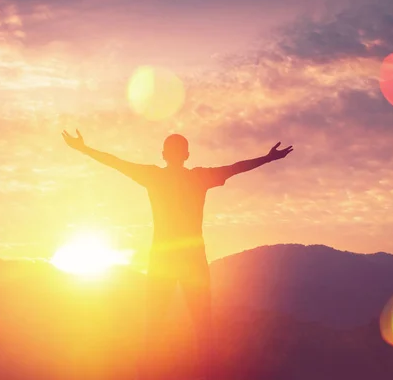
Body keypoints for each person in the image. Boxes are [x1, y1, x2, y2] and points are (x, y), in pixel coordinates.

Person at [62, 130, 293, 379]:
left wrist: (84, 149)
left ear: (164, 155)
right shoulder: (200, 177)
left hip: (162, 260)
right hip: (192, 260)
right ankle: (206, 372)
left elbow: (116, 162)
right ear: (187, 155)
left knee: (154, 325)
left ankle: (148, 373)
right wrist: (267, 158)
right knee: (202, 325)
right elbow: (236, 167)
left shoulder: (153, 176)